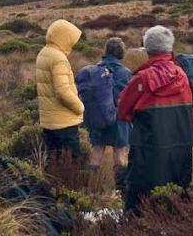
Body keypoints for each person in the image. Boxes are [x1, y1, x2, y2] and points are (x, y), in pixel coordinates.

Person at [117, 26, 193, 213]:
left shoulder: (141, 78)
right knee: (175, 202)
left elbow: (122, 112)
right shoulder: (182, 75)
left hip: (148, 153)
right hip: (180, 152)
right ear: (170, 48)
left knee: (141, 204)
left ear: (147, 49)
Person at [86, 37, 132, 196]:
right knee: (120, 154)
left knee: (97, 151)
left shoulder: (94, 70)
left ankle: (91, 188)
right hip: (119, 120)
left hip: (98, 118)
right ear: (121, 52)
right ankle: (121, 191)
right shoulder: (125, 73)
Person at [36, 19, 84, 160]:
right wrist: (80, 107)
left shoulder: (43, 53)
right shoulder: (59, 59)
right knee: (73, 163)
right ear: (63, 37)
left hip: (49, 121)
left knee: (53, 162)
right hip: (64, 122)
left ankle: (52, 182)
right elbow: (62, 91)